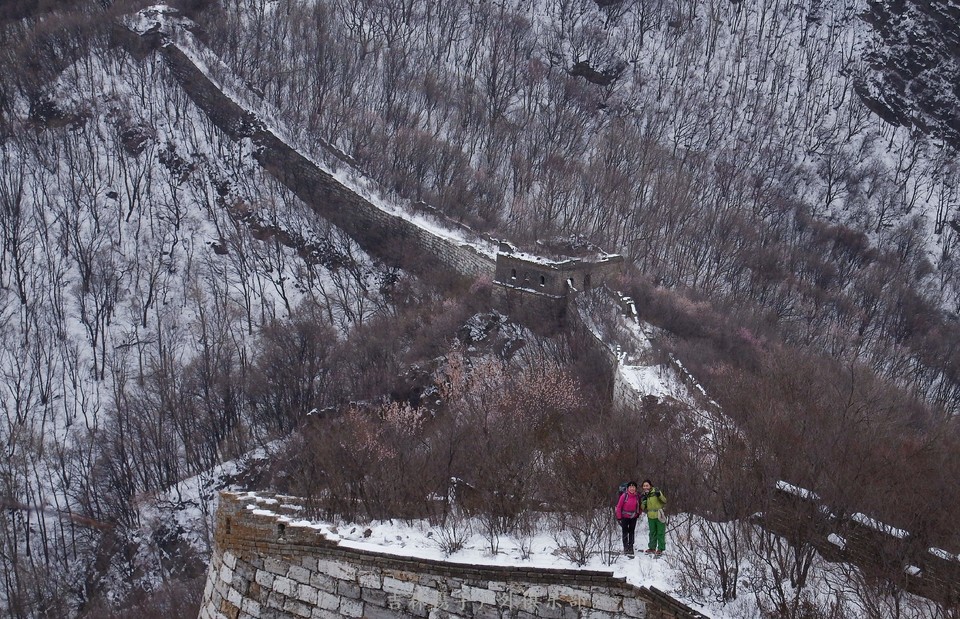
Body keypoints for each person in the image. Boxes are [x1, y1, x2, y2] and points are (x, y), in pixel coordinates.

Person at [615, 481, 641, 557]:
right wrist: (619, 516)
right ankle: (625, 547)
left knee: (632, 531)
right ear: (628, 488)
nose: (632, 488)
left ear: (635, 488)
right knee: (625, 532)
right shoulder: (624, 496)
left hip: (633, 517)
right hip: (624, 517)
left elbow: (640, 506)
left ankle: (631, 546)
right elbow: (619, 506)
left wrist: (638, 513)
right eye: (630, 487)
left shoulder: (637, 496)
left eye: (633, 487)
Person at [640, 479, 667, 554]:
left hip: (659, 514)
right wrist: (644, 501)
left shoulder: (656, 491)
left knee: (660, 532)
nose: (645, 487)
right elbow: (642, 508)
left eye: (647, 485)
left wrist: (659, 496)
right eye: (644, 486)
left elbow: (664, 501)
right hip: (650, 515)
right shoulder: (644, 495)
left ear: (650, 486)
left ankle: (660, 548)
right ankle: (652, 548)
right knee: (652, 532)